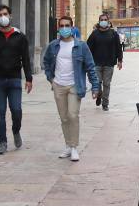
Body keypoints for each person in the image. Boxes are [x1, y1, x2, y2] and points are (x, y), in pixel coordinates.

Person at [43, 16, 100, 161]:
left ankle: (74, 147)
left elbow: (90, 66)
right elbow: (46, 61)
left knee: (73, 115)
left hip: (75, 85)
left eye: (66, 25)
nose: (64, 28)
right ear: (58, 28)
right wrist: (51, 79)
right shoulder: (53, 45)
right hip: (58, 86)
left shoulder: (81, 46)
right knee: (64, 117)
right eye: (61, 26)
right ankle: (68, 146)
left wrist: (95, 86)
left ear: (72, 27)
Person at [0, 4, 33, 155]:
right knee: (0, 111)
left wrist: (29, 78)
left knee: (16, 109)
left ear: (10, 16)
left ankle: (16, 130)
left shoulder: (20, 37)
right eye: (0, 15)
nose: (3, 17)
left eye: (5, 14)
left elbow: (26, 59)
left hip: (15, 79)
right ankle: (2, 142)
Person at [86, 12, 123, 111]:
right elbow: (87, 47)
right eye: (101, 20)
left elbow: (119, 48)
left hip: (109, 63)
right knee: (96, 83)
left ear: (108, 21)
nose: (103, 21)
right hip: (96, 63)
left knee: (106, 84)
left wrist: (120, 60)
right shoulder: (94, 34)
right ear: (99, 22)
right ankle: (99, 94)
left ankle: (105, 103)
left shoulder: (114, 34)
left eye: (105, 20)